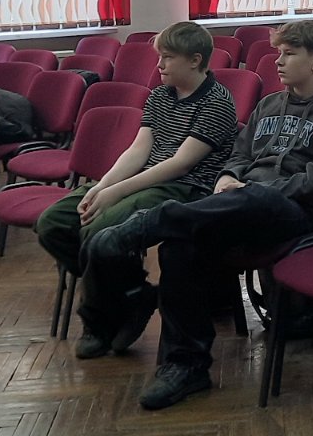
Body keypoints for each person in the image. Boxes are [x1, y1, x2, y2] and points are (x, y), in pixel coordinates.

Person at [82, 21, 313, 411]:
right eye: (278, 53)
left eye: (289, 54)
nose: (277, 61)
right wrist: (228, 177)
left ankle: (146, 225)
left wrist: (251, 190)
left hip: (297, 215)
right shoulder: (269, 104)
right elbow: (239, 155)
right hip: (243, 206)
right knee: (179, 246)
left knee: (253, 197)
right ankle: (186, 366)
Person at [34, 22, 238, 360]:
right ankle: (134, 293)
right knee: (53, 224)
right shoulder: (160, 95)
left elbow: (180, 164)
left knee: (98, 230)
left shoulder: (217, 102)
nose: (159, 65)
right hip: (146, 179)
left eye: (168, 58)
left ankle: (98, 322)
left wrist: (115, 193)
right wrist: (103, 186)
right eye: (159, 57)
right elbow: (138, 150)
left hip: (185, 188)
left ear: (195, 60)